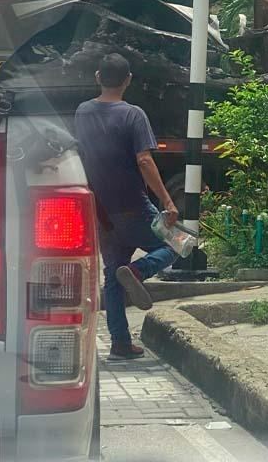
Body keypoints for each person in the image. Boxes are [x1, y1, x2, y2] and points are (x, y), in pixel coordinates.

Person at [75, 53, 180, 360]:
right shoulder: (133, 115)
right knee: (175, 246)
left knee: (111, 275)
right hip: (133, 204)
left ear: (97, 77)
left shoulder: (82, 112)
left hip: (102, 210)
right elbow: (145, 160)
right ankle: (136, 270)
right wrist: (168, 201)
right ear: (128, 80)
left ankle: (120, 343)